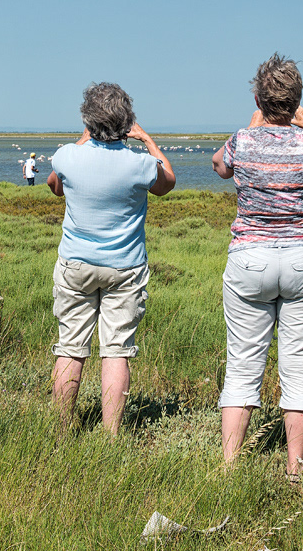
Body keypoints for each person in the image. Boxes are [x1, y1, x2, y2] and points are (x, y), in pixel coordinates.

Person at [211, 53, 303, 481]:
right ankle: (295, 468)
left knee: (242, 364)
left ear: (258, 98)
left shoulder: (242, 139)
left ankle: (230, 467)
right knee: (301, 366)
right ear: (297, 101)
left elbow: (219, 167)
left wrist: (252, 128)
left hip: (250, 257)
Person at [47, 82, 175, 434]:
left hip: (75, 263)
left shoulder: (67, 156)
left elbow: (55, 186)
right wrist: (147, 139)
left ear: (88, 120)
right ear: (127, 122)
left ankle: (60, 429)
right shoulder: (141, 164)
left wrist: (84, 137)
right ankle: (111, 436)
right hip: (125, 266)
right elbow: (167, 183)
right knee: (116, 351)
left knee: (70, 347)